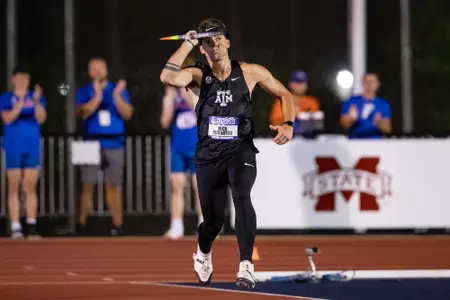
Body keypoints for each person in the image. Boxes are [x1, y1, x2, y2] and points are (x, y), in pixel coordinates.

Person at [160, 19, 295, 289]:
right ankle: (203, 251)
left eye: (220, 39)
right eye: (209, 41)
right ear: (203, 48)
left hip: (240, 148)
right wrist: (187, 43)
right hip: (209, 153)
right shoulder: (197, 76)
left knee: (242, 195)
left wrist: (288, 124)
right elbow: (167, 76)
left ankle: (246, 264)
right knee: (213, 222)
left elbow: (285, 94)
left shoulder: (250, 72)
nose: (216, 44)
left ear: (228, 42)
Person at [76, 57, 134, 236]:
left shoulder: (117, 89)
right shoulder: (84, 91)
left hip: (114, 141)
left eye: (101, 68)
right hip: (88, 141)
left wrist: (116, 96)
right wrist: (97, 96)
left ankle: (117, 225)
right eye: (94, 68)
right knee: (86, 185)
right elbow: (82, 113)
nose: (98, 71)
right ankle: (81, 224)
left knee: (113, 185)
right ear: (89, 71)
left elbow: (128, 113)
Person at [0, 66, 47, 239]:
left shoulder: (36, 98)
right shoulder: (6, 98)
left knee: (30, 186)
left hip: (32, 146)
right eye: (19, 78)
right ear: (13, 80)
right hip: (13, 146)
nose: (22, 81)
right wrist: (20, 102)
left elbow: (41, 118)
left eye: (25, 78)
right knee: (13, 185)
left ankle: (32, 223)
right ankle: (15, 225)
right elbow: (8, 118)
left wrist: (35, 101)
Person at [160, 55, 203, 240]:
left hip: (197, 145)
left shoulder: (199, 90)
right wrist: (169, 99)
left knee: (199, 186)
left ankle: (204, 224)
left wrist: (186, 92)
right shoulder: (172, 93)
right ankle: (176, 225)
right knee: (176, 185)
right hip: (178, 145)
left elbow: (201, 112)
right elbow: (164, 122)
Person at [269, 70, 323, 138]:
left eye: (302, 82)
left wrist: (303, 117)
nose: (300, 85)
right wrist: (293, 117)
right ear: (290, 84)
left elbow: (317, 124)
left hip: (308, 140)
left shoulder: (312, 101)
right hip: (288, 140)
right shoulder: (282, 100)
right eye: (297, 82)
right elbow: (274, 124)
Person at [339, 73, 392, 139]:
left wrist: (379, 122)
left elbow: (387, 129)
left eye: (372, 82)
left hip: (376, 141)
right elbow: (343, 125)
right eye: (367, 82)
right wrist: (351, 119)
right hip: (355, 141)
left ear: (378, 84)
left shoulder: (383, 104)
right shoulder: (351, 102)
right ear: (362, 83)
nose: (369, 85)